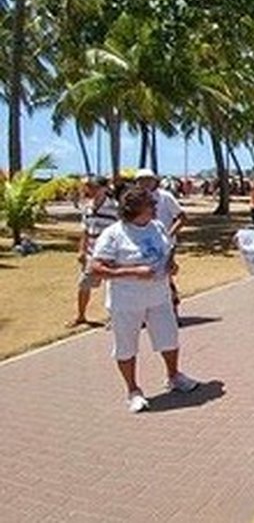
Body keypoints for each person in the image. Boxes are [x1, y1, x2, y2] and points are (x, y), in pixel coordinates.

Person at [89, 187, 197, 413]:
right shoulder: (114, 234)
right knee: (126, 346)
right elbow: (96, 268)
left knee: (169, 338)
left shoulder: (157, 227)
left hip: (159, 296)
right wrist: (132, 272)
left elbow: (167, 250)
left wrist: (171, 265)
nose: (155, 208)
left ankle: (174, 376)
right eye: (150, 205)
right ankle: (133, 391)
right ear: (135, 210)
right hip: (126, 300)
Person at [135, 169, 187, 317]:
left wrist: (169, 235)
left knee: (165, 276)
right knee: (144, 278)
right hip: (142, 244)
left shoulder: (165, 197)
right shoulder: (135, 199)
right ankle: (145, 313)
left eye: (147, 179)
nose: (144, 183)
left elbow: (182, 217)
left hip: (165, 245)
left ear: (154, 181)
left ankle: (173, 310)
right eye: (140, 180)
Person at [70, 176, 118, 328]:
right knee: (84, 284)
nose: (91, 190)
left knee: (113, 287)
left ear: (105, 188)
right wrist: (82, 250)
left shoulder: (114, 207)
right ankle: (81, 316)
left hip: (110, 252)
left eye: (95, 187)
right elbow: (85, 230)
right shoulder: (87, 207)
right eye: (89, 187)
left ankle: (114, 318)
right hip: (92, 251)